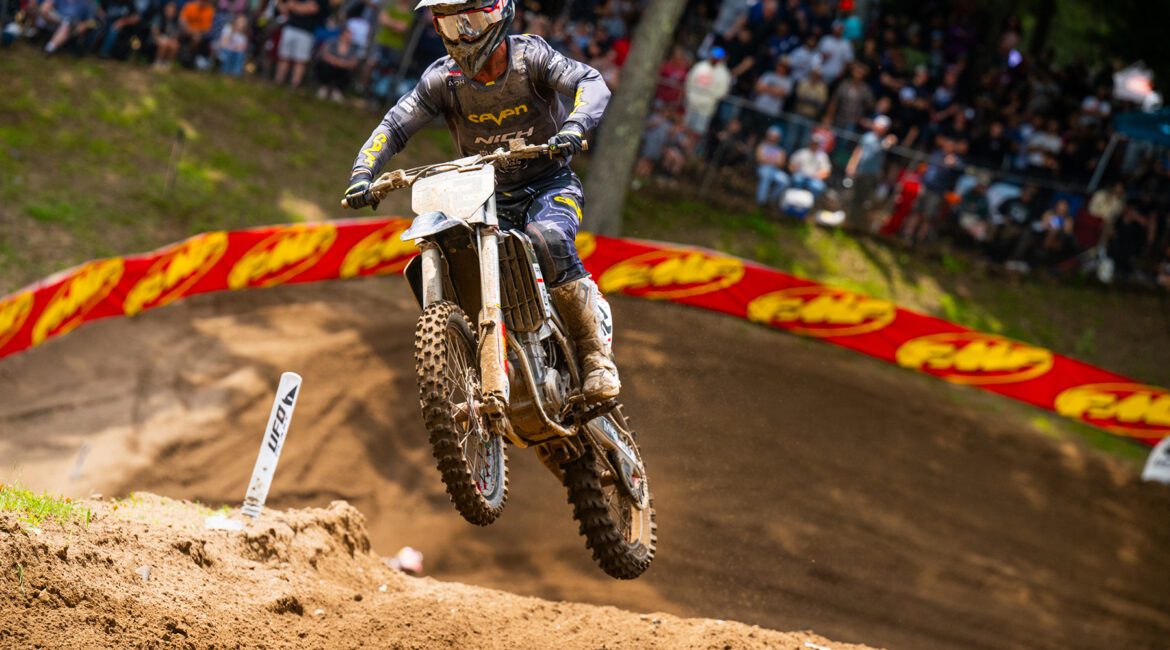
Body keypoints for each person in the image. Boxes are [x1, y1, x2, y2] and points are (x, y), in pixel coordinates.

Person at [342, 0, 620, 402]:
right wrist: (362, 173)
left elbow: (590, 81)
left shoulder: (531, 57)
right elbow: (394, 126)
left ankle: (595, 357)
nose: (463, 35)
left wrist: (575, 126)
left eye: (471, 21)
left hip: (548, 184)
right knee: (449, 251)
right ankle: (474, 358)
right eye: (451, 26)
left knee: (548, 238)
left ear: (498, 13)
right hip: (485, 196)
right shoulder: (443, 80)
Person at [844, 114, 895, 229]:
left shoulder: (885, 141)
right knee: (853, 196)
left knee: (865, 199)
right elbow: (858, 151)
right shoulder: (867, 137)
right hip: (860, 171)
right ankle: (849, 220)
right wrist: (852, 164)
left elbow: (890, 144)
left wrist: (890, 141)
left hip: (872, 175)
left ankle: (858, 223)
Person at [682, 46, 731, 141]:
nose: (714, 59)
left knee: (697, 132)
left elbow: (722, 92)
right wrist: (689, 95)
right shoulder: (700, 66)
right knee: (685, 127)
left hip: (706, 108)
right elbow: (689, 81)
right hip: (691, 103)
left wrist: (709, 97)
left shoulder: (724, 73)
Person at [274, 0, 326, 88]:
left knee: (300, 60)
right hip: (290, 27)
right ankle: (278, 81)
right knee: (284, 57)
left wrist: (294, 6)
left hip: (306, 32)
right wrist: (300, 7)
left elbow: (312, 9)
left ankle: (294, 84)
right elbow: (284, 8)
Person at [316, 26, 360, 100]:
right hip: (330, 65)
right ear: (342, 35)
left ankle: (337, 90)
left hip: (343, 68)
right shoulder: (331, 42)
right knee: (324, 66)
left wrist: (343, 64)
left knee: (348, 71)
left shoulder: (353, 47)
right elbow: (324, 54)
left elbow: (354, 62)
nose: (349, 38)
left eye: (350, 36)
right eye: (347, 36)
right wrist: (338, 62)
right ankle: (324, 87)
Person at [789, 131, 831, 198]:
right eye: (813, 143)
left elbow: (826, 172)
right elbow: (791, 165)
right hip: (801, 175)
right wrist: (796, 170)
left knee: (818, 187)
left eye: (816, 143)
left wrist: (818, 176)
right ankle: (794, 199)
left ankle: (810, 202)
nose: (814, 145)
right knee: (797, 179)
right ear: (810, 142)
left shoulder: (823, 156)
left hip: (814, 178)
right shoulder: (801, 152)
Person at [755, 125, 789, 207]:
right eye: (772, 136)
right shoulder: (762, 146)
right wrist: (773, 161)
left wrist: (768, 161)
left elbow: (781, 163)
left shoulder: (780, 149)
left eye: (775, 136)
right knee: (766, 175)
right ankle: (761, 201)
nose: (773, 138)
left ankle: (771, 199)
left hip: (775, 171)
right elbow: (759, 159)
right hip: (763, 168)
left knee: (785, 181)